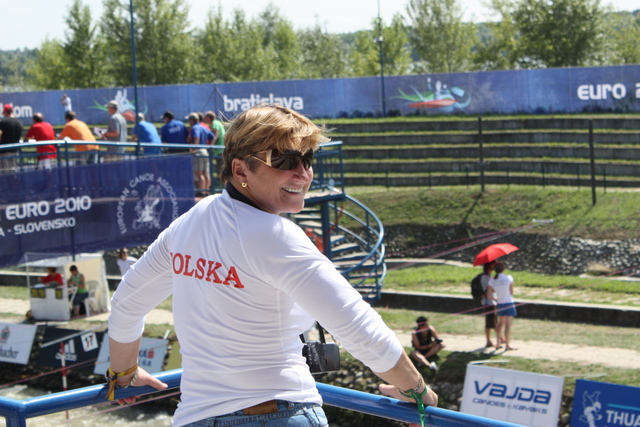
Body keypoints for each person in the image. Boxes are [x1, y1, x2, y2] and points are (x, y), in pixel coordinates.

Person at [106, 103, 438, 426]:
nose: (303, 173)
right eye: (283, 160)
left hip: (195, 416)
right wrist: (417, 390)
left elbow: (127, 302)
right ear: (241, 170)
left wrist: (124, 372)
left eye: (308, 158)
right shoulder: (276, 236)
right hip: (279, 412)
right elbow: (359, 327)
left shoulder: (189, 224)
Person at [487, 262, 517, 351]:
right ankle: (507, 345)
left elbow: (489, 294)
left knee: (500, 324)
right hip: (509, 303)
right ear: (503, 269)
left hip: (500, 304)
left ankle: (498, 343)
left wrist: (496, 299)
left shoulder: (492, 280)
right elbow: (511, 292)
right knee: (508, 326)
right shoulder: (508, 278)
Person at [186, 112, 214, 196]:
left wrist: (194, 148)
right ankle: (207, 191)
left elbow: (197, 137)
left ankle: (202, 192)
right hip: (205, 151)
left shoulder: (195, 127)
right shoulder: (203, 127)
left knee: (199, 173)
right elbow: (213, 137)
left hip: (198, 152)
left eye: (189, 120)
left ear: (192, 120)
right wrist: (210, 147)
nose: (189, 122)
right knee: (205, 173)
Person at [477, 261, 498, 347]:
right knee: (490, 322)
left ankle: (499, 338)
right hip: (488, 302)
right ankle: (489, 341)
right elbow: (492, 289)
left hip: (490, 302)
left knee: (493, 321)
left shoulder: (487, 276)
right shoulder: (486, 278)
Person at [0, 104, 24, 173]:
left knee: (5, 172)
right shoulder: (19, 123)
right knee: (13, 171)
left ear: (5, 112)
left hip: (4, 151)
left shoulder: (3, 122)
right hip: (15, 151)